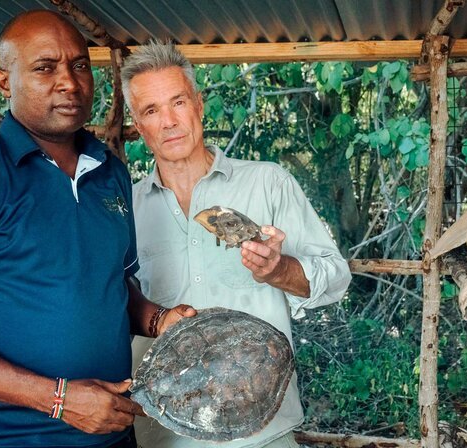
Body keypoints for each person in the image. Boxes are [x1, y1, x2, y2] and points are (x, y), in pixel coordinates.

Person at [0, 12, 195, 448]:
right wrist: (59, 400)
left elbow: (112, 283)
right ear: (4, 82)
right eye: (44, 67)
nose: (69, 83)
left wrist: (159, 319)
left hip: (112, 435)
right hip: (8, 440)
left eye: (79, 65)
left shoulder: (109, 172)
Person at [121, 41, 352, 448]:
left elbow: (336, 279)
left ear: (199, 104)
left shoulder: (268, 183)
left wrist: (280, 271)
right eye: (151, 111)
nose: (169, 121)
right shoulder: (125, 210)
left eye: (177, 102)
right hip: (166, 433)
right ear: (139, 126)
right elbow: (111, 304)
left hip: (262, 431)